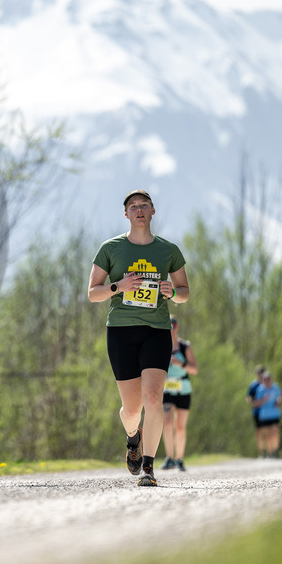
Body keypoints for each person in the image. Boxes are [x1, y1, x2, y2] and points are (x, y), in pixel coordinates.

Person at [88, 189, 189, 487]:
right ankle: (133, 437)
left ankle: (148, 467)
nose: (139, 210)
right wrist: (118, 286)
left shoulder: (168, 251)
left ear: (153, 211)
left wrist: (174, 292)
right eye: (133, 206)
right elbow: (93, 293)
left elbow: (185, 292)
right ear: (126, 214)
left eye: (144, 205)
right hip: (120, 331)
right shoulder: (111, 248)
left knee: (154, 398)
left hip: (156, 330)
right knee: (132, 410)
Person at [160, 315, 197, 471]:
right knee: (167, 423)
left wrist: (180, 363)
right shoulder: (160, 346)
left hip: (183, 387)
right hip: (167, 387)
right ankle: (170, 457)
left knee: (180, 426)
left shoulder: (184, 347)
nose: (171, 329)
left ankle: (180, 459)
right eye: (168, 326)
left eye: (173, 326)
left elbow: (194, 370)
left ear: (177, 327)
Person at [252, 371, 282, 457]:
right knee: (268, 434)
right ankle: (269, 452)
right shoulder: (260, 389)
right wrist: (264, 400)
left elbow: (280, 396)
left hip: (275, 414)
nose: (267, 381)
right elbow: (256, 403)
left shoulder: (276, 387)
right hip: (265, 415)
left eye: (268, 379)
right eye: (265, 379)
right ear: (263, 380)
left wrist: (278, 401)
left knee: (275, 432)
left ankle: (275, 450)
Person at [246, 365, 266, 456]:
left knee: (267, 431)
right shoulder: (253, 385)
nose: (261, 375)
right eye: (259, 374)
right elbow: (248, 397)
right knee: (259, 432)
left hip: (267, 411)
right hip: (257, 411)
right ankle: (261, 452)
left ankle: (269, 450)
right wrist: (252, 402)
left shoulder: (267, 384)